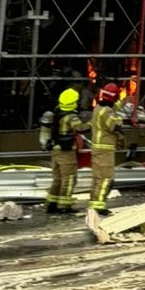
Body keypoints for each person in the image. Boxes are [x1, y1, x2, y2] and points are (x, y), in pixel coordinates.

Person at [89, 81, 132, 208]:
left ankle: (94, 204)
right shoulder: (107, 112)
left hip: (98, 148)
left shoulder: (98, 108)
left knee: (97, 178)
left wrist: (121, 103)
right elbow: (115, 125)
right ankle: (99, 206)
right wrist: (120, 120)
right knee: (106, 178)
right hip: (105, 150)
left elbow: (111, 107)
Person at [40, 85, 82, 213]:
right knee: (69, 179)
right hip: (66, 151)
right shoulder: (71, 117)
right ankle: (64, 206)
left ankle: (52, 203)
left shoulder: (56, 113)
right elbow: (82, 128)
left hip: (55, 150)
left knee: (57, 179)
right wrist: (93, 122)